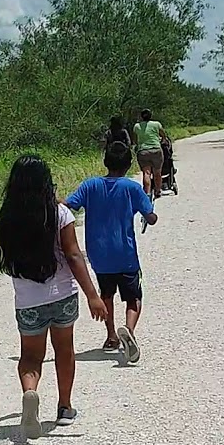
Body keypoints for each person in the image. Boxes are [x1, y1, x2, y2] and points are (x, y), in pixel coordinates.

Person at [0, 154, 107, 441]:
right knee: (64, 351)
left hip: (28, 300)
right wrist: (93, 295)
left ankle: (30, 392)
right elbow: (73, 255)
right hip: (62, 296)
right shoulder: (59, 214)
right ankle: (65, 407)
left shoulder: (7, 218)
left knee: (31, 356)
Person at [63, 142, 159, 365]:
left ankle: (111, 336)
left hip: (99, 256)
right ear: (128, 165)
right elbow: (151, 217)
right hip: (125, 254)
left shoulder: (90, 186)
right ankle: (129, 330)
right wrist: (150, 215)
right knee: (134, 298)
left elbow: (68, 205)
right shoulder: (132, 188)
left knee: (106, 295)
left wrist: (48, 199)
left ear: (106, 161)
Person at [133, 108, 168, 200]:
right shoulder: (156, 124)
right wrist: (163, 140)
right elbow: (163, 135)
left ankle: (147, 193)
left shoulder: (137, 126)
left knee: (146, 173)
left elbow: (135, 140)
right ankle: (157, 191)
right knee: (157, 172)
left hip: (143, 151)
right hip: (156, 150)